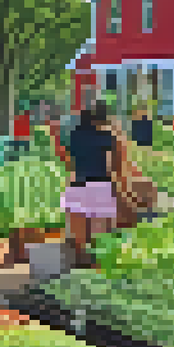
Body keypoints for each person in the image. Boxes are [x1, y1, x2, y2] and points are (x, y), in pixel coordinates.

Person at [51, 103, 121, 269]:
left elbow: (67, 162)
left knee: (79, 238)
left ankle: (80, 269)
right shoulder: (107, 136)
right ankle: (98, 269)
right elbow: (117, 165)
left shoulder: (74, 135)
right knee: (100, 234)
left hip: (77, 186)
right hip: (100, 185)